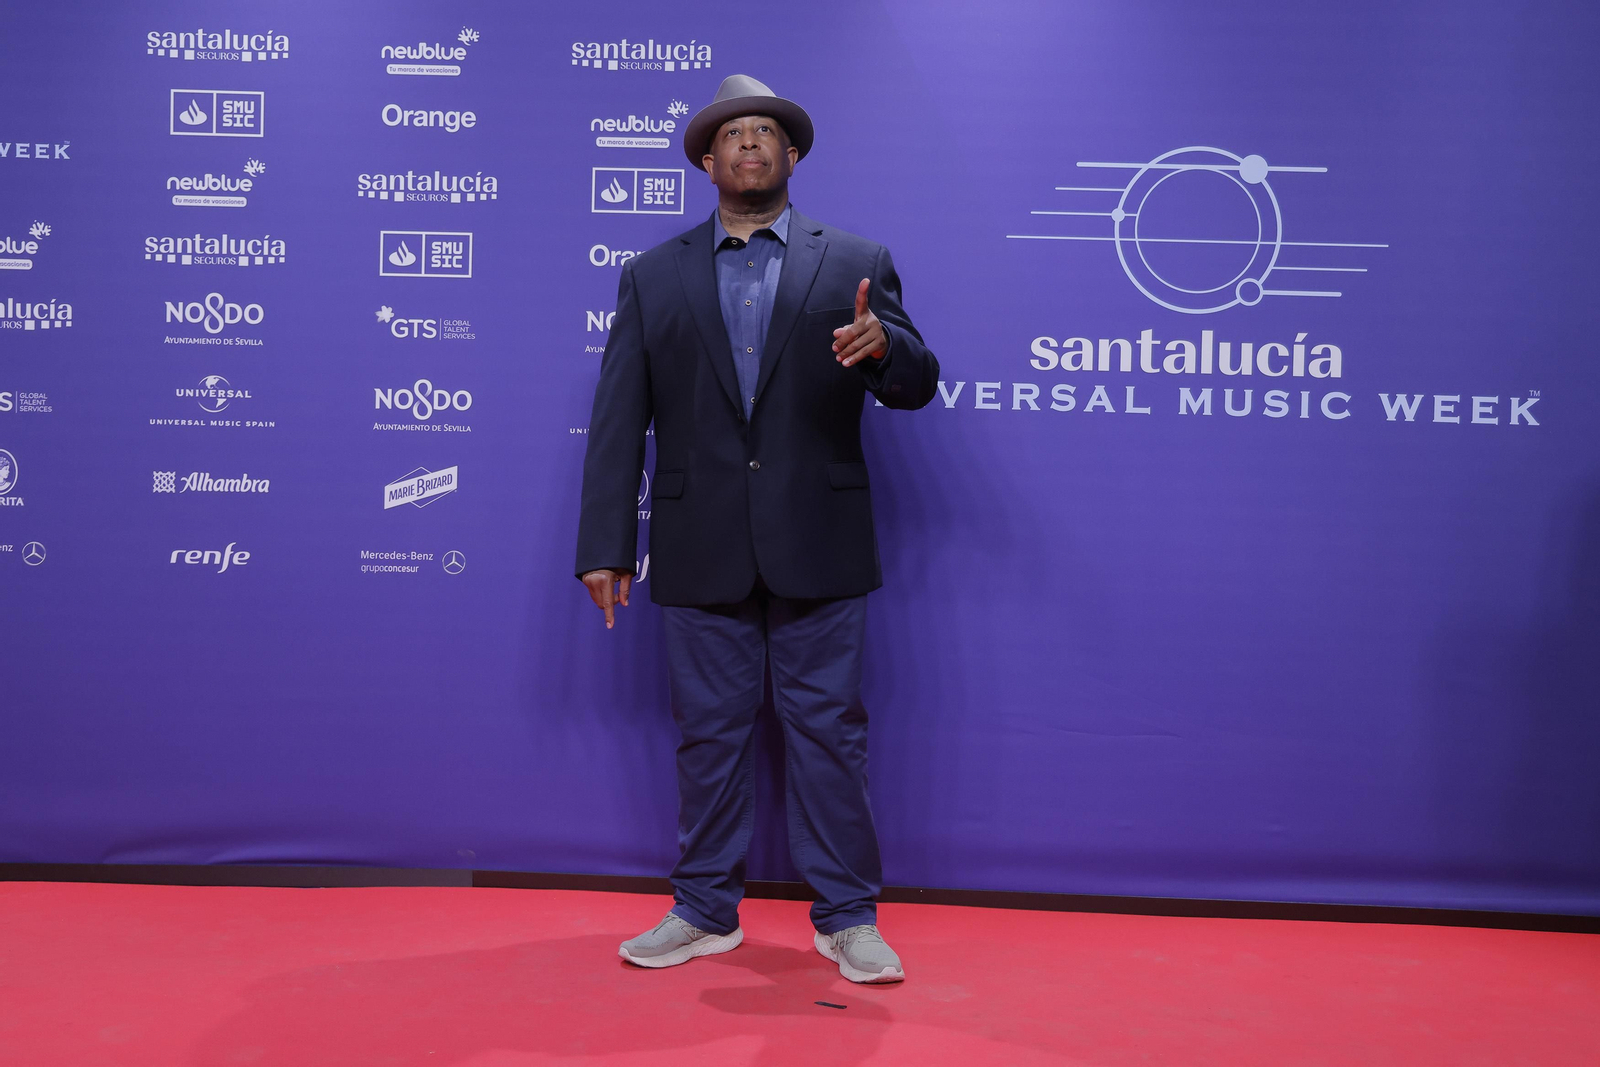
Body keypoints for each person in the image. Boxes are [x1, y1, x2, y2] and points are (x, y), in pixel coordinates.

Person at [575, 74, 939, 984]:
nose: (749, 144)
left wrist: (884, 348)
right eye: (731, 134)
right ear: (708, 161)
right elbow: (621, 417)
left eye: (765, 132)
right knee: (708, 733)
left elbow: (917, 380)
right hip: (701, 542)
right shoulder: (652, 274)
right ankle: (704, 910)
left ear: (792, 155)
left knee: (829, 731)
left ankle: (847, 917)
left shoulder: (854, 256)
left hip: (818, 537)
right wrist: (607, 546)